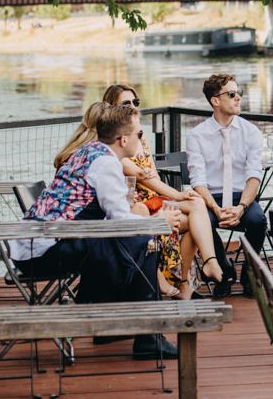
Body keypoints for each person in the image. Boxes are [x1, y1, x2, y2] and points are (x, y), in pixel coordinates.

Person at [10, 104, 180, 361]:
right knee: (145, 241)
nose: (142, 140)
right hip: (43, 252)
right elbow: (120, 220)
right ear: (123, 139)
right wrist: (159, 220)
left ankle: (117, 324)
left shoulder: (89, 151)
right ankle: (147, 337)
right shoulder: (105, 164)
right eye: (140, 134)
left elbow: (113, 218)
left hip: (34, 244)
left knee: (134, 241)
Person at [103, 84, 223, 299]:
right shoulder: (114, 142)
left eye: (135, 102)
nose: (133, 107)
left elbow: (153, 176)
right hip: (135, 205)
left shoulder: (141, 137)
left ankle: (208, 263)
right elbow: (141, 176)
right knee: (195, 223)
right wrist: (177, 195)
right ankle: (180, 283)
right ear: (112, 108)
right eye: (126, 103)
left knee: (197, 204)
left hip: (153, 199)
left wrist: (176, 195)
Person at [186, 74, 266, 297]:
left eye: (238, 93)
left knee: (258, 221)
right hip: (212, 198)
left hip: (243, 197)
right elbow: (198, 181)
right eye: (231, 94)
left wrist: (241, 207)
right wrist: (215, 208)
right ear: (215, 100)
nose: (238, 97)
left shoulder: (252, 133)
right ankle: (223, 270)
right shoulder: (197, 135)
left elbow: (253, 177)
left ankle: (249, 272)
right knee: (201, 222)